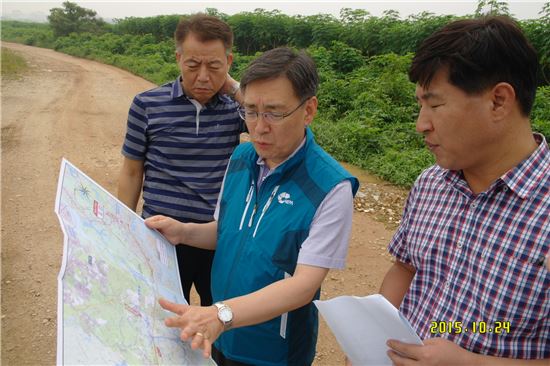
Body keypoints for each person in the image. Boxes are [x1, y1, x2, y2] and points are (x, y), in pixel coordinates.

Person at [145, 47, 359, 366]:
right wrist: (183, 232)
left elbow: (304, 285)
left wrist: (221, 314)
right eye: (251, 111)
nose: (259, 127)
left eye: (273, 112)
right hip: (221, 333)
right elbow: (226, 232)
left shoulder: (329, 187)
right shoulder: (242, 159)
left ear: (309, 109)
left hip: (273, 352)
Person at [375, 16, 549, 365]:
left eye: (435, 105)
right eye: (420, 105)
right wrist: (371, 342)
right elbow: (405, 268)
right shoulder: (430, 184)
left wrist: (473, 363)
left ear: (499, 101)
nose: (421, 124)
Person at [117, 14, 243, 307]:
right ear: (178, 58)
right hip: (160, 239)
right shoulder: (147, 104)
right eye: (192, 64)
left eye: (214, 66)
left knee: (221, 320)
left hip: (217, 238)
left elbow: (276, 122)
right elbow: (132, 171)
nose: (202, 76)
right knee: (165, 323)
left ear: (229, 62)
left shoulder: (235, 110)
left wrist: (235, 89)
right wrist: (122, 228)